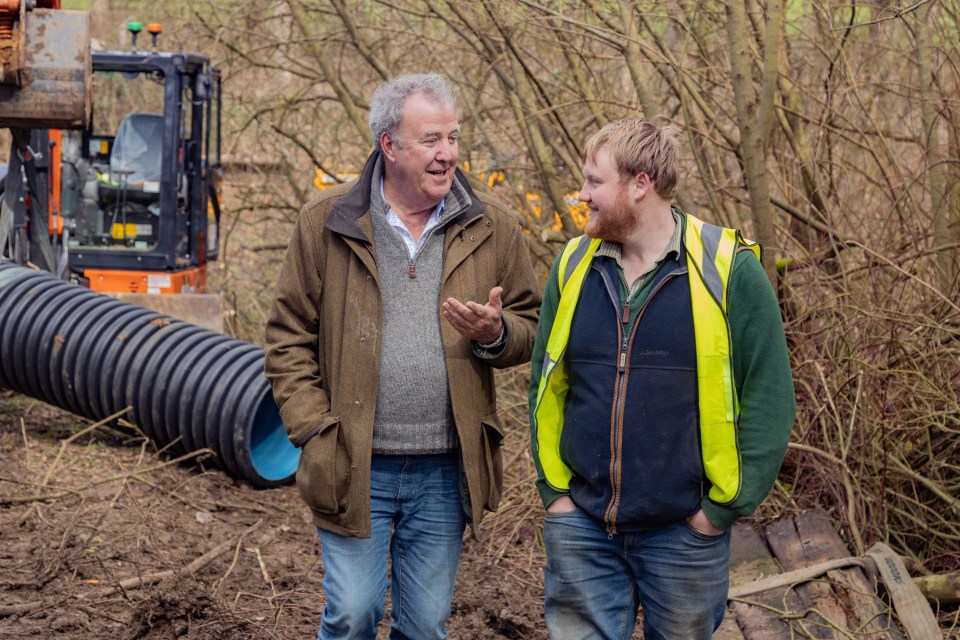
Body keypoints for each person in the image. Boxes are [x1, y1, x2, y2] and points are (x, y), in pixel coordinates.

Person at [264, 73, 540, 640]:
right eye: (432, 140)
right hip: (352, 462)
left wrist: (495, 332)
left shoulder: (494, 227)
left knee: (425, 626)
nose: (448, 155)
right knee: (353, 614)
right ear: (389, 146)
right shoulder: (327, 224)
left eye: (454, 139)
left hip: (445, 468)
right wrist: (316, 429)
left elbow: (533, 329)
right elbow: (287, 336)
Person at [528, 118, 796, 640]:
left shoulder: (729, 270)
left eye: (593, 182)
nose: (581, 195)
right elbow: (546, 382)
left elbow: (769, 398)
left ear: (640, 184)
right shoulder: (572, 266)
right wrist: (555, 493)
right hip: (581, 525)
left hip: (684, 535)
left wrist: (719, 512)